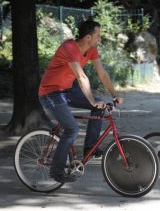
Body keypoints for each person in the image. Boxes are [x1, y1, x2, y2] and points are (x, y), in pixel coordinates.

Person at [39, 20, 123, 183]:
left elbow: (102, 74)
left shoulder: (91, 50)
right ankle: (56, 171)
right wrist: (91, 100)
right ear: (88, 37)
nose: (100, 38)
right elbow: (81, 76)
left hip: (67, 90)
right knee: (72, 129)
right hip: (51, 92)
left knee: (100, 105)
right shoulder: (69, 48)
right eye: (98, 36)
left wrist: (114, 95)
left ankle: (89, 148)